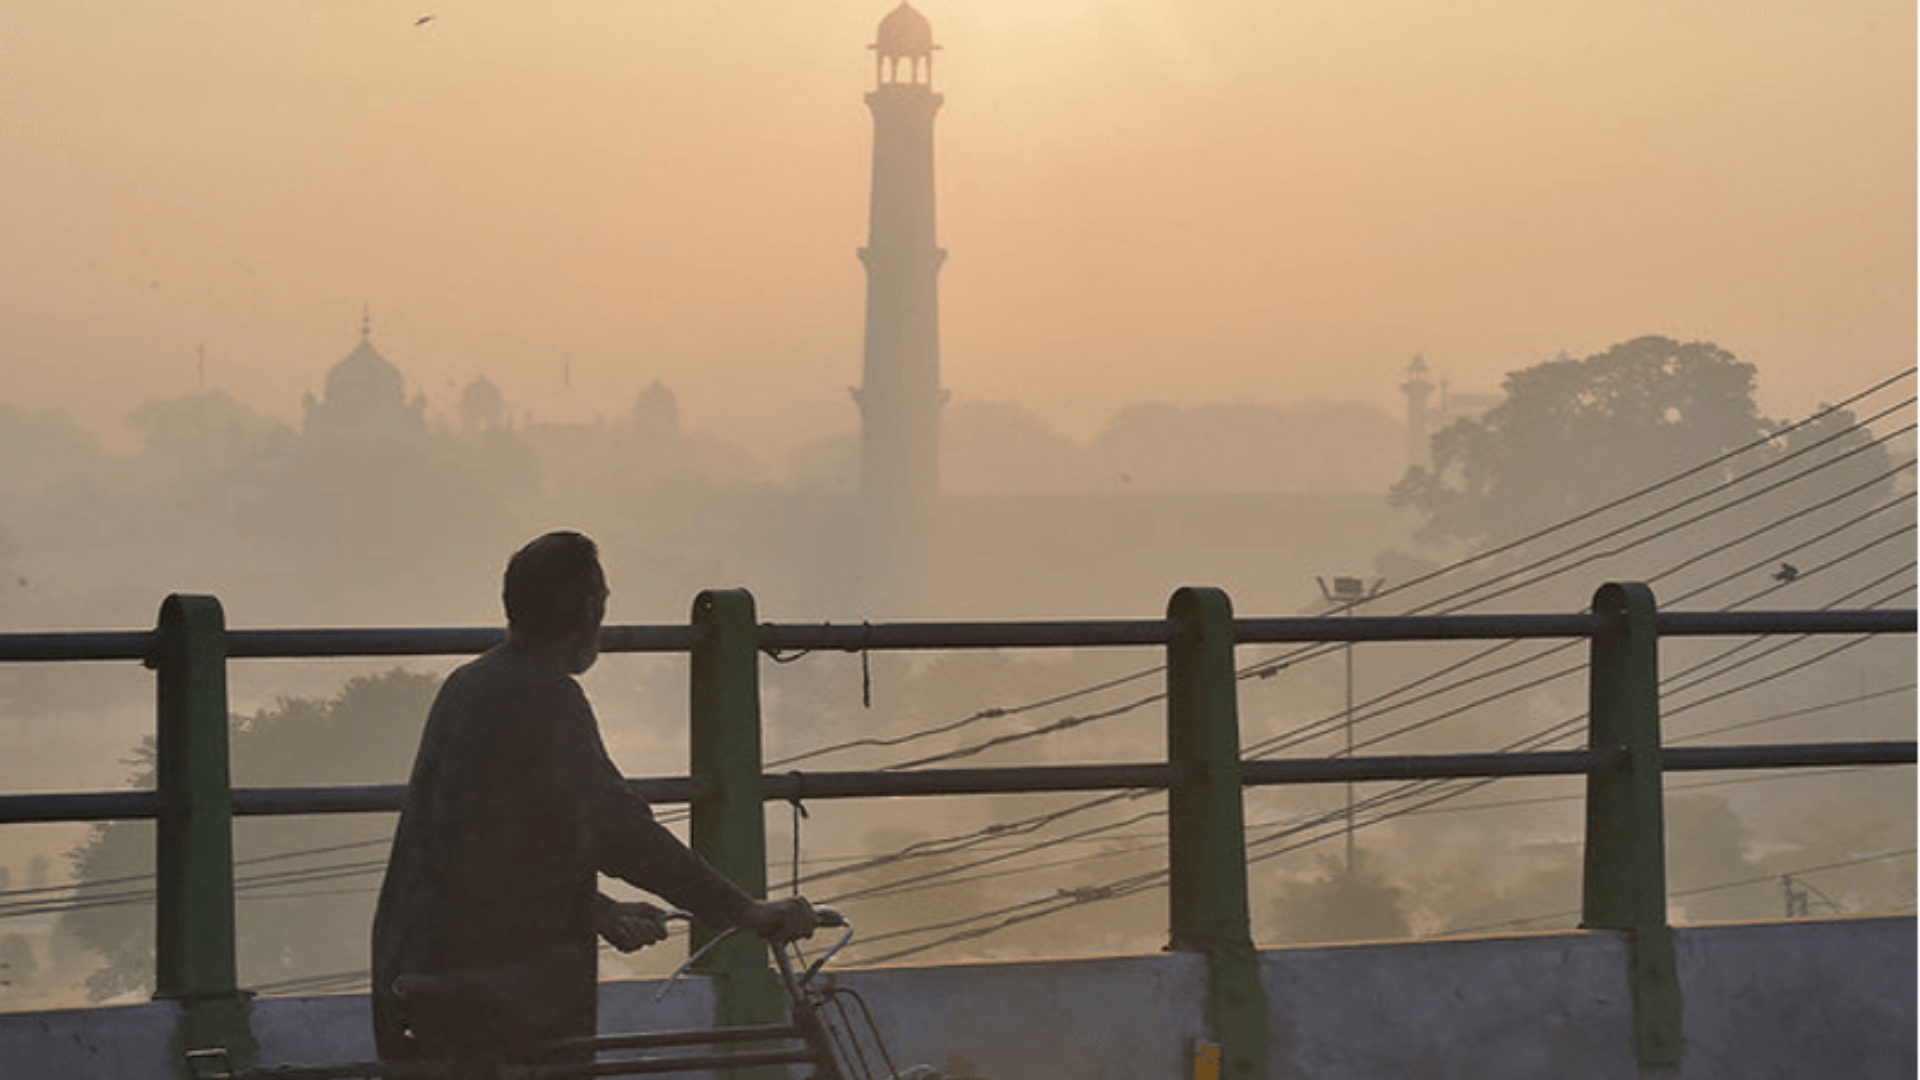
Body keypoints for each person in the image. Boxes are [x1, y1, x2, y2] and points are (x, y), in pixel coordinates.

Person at [371, 530, 815, 1070]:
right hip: (499, 1003)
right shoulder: (549, 698)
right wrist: (744, 910)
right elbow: (617, 829)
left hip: (420, 979)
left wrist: (597, 911)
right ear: (590, 609)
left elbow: (487, 851)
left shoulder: (468, 686)